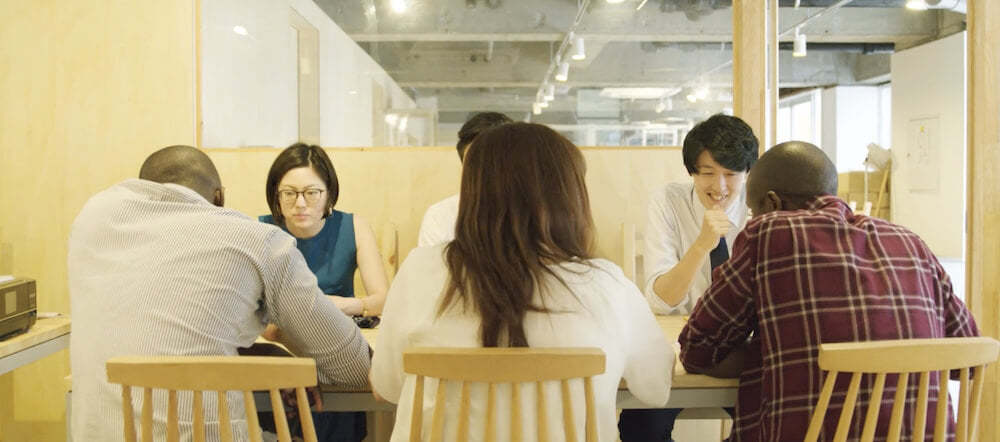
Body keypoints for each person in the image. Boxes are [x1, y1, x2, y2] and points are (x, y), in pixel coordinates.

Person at [371, 123, 672, 441]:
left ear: (472, 193)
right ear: (570, 197)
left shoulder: (420, 270)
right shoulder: (605, 284)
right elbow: (656, 387)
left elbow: (387, 386)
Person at [679, 141, 980, 441]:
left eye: (753, 210)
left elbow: (697, 348)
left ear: (771, 203)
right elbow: (967, 356)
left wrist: (767, 350)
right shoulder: (910, 242)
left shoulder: (768, 233)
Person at [69, 145, 371, 441]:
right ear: (219, 197)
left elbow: (155, 331)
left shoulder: (91, 220)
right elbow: (353, 368)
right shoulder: (259, 241)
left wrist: (254, 352)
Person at [619, 114, 758, 442]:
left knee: (763, 423)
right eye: (707, 173)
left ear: (747, 173)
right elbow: (661, 301)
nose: (719, 187)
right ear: (691, 172)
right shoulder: (669, 201)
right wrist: (701, 245)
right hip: (682, 345)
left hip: (743, 346)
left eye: (731, 174)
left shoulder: (759, 205)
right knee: (640, 427)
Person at [258, 142, 389, 441]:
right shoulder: (261, 231)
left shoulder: (353, 226)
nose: (300, 203)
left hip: (337, 349)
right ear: (276, 195)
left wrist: (339, 305)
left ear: (329, 193)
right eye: (289, 193)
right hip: (284, 351)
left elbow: (383, 299)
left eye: (311, 193)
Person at [416, 111, 512, 247]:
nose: (486, 172)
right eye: (475, 163)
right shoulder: (441, 216)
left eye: (495, 161)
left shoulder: (537, 214)